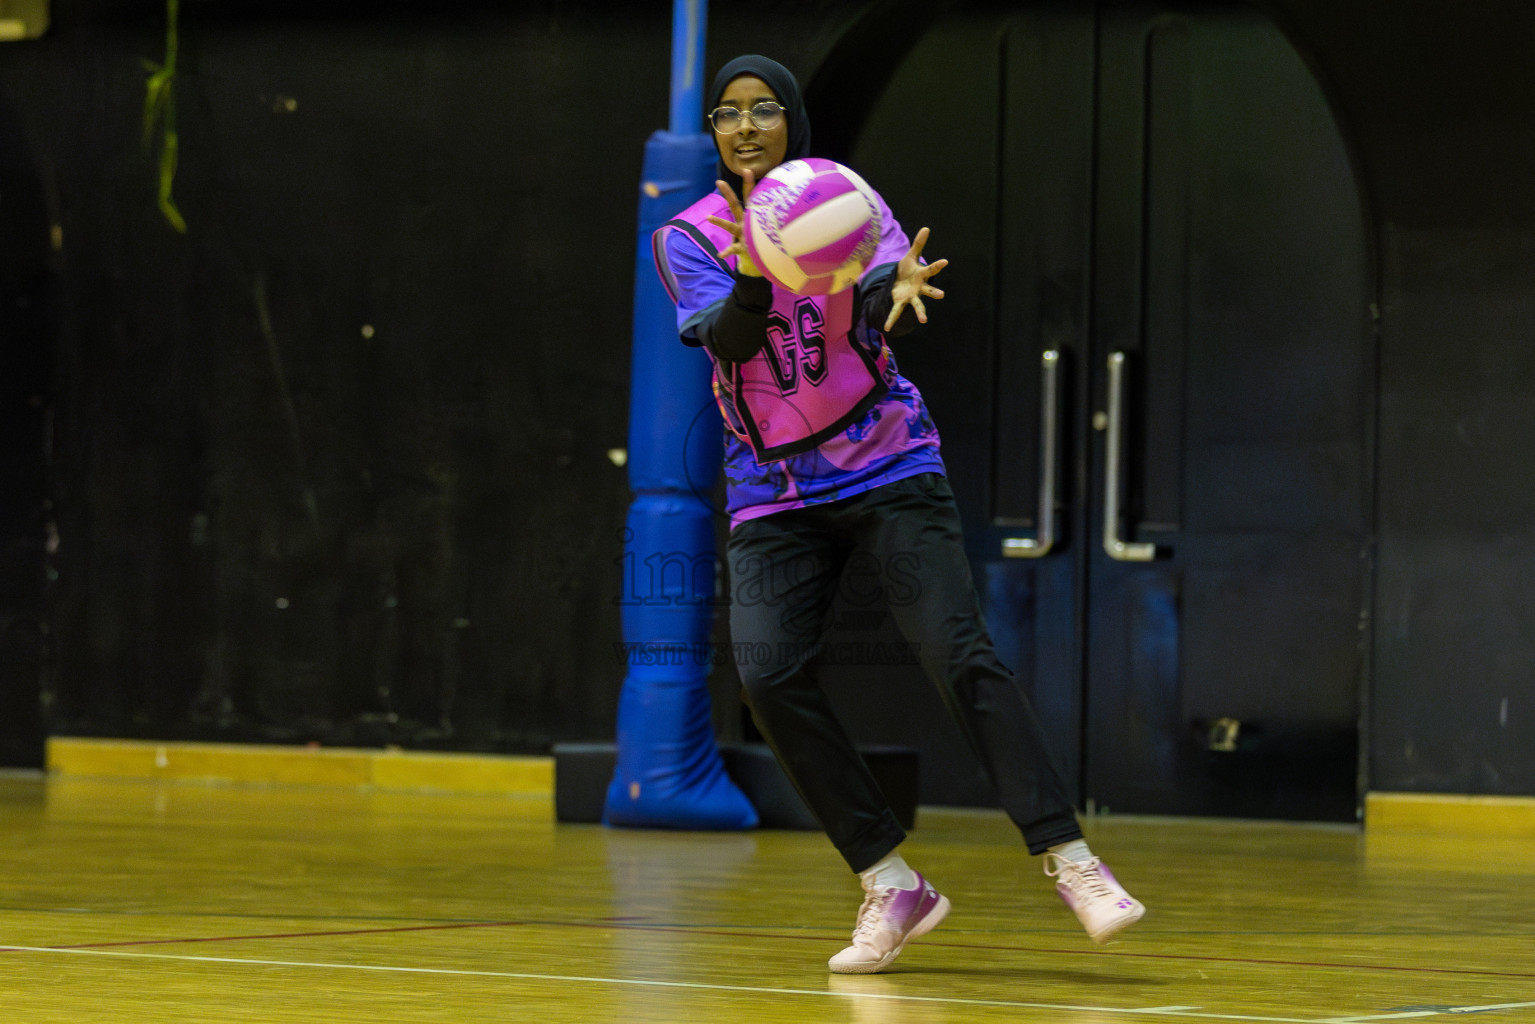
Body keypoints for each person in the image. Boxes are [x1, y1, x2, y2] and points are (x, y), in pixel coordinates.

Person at [652, 54, 1145, 974]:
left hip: (885, 464)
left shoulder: (841, 195)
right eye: (727, 114)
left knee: (956, 652)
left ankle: (1071, 859)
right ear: (714, 135)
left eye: (765, 110)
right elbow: (723, 336)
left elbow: (874, 292)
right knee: (765, 678)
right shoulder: (687, 233)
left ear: (791, 122)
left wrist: (890, 288)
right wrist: (759, 268)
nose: (746, 125)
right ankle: (889, 879)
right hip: (774, 494)